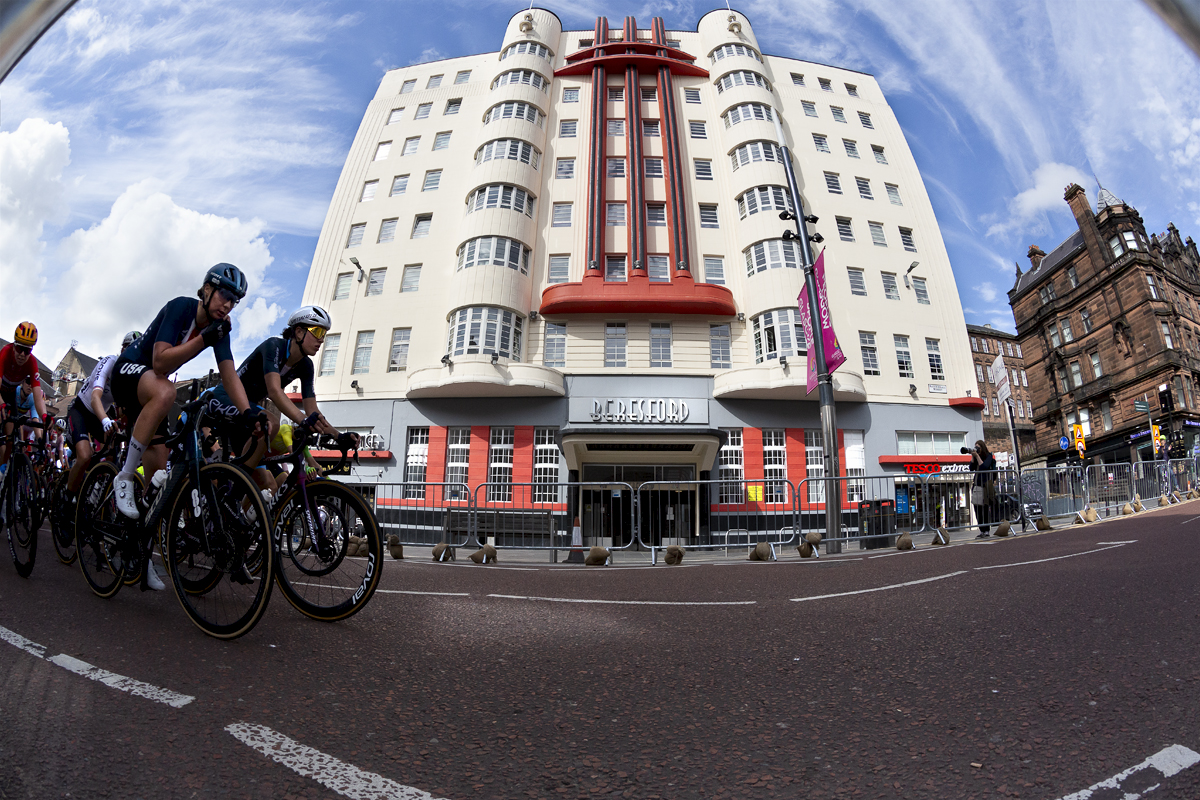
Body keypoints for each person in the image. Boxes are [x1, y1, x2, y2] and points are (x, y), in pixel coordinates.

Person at [109, 263, 259, 529]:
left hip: (151, 391)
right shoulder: (181, 307)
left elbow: (229, 375)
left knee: (159, 490)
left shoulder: (218, 329)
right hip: (127, 373)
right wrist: (204, 339)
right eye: (224, 295)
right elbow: (159, 363)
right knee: (166, 389)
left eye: (234, 301)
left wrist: (248, 413)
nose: (228, 305)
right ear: (207, 289)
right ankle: (125, 476)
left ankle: (141, 560)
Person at [200, 305, 353, 499]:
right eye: (317, 331)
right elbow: (274, 390)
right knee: (271, 422)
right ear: (298, 331)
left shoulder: (306, 366)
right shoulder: (274, 346)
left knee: (265, 483)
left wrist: (339, 436)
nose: (321, 339)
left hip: (248, 416)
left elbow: (312, 410)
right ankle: (237, 485)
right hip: (226, 398)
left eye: (324, 333)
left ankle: (236, 518)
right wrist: (302, 419)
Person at [65, 331, 141, 500]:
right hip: (81, 410)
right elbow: (95, 397)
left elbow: (126, 411)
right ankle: (67, 498)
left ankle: (95, 492)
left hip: (99, 416)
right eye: (130, 350)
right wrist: (106, 420)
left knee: (113, 449)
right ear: (122, 350)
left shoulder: (130, 377)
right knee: (84, 455)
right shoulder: (110, 362)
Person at [0, 322, 48, 474]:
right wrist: (1, 405)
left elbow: (38, 397)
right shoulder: (5, 353)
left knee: (9, 439)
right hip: (0, 393)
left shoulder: (32, 363)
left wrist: (45, 417)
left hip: (9, 396)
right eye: (19, 348)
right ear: (14, 345)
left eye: (27, 350)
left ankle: (2, 472)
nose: (22, 354)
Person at [968, 440, 997, 538]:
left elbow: (984, 466)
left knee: (984, 509)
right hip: (976, 485)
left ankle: (986, 530)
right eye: (975, 447)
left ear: (982, 447)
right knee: (977, 509)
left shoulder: (988, 456)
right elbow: (971, 468)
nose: (977, 449)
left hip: (985, 486)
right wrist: (973, 456)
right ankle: (981, 530)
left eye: (978, 447)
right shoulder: (976, 457)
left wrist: (977, 456)